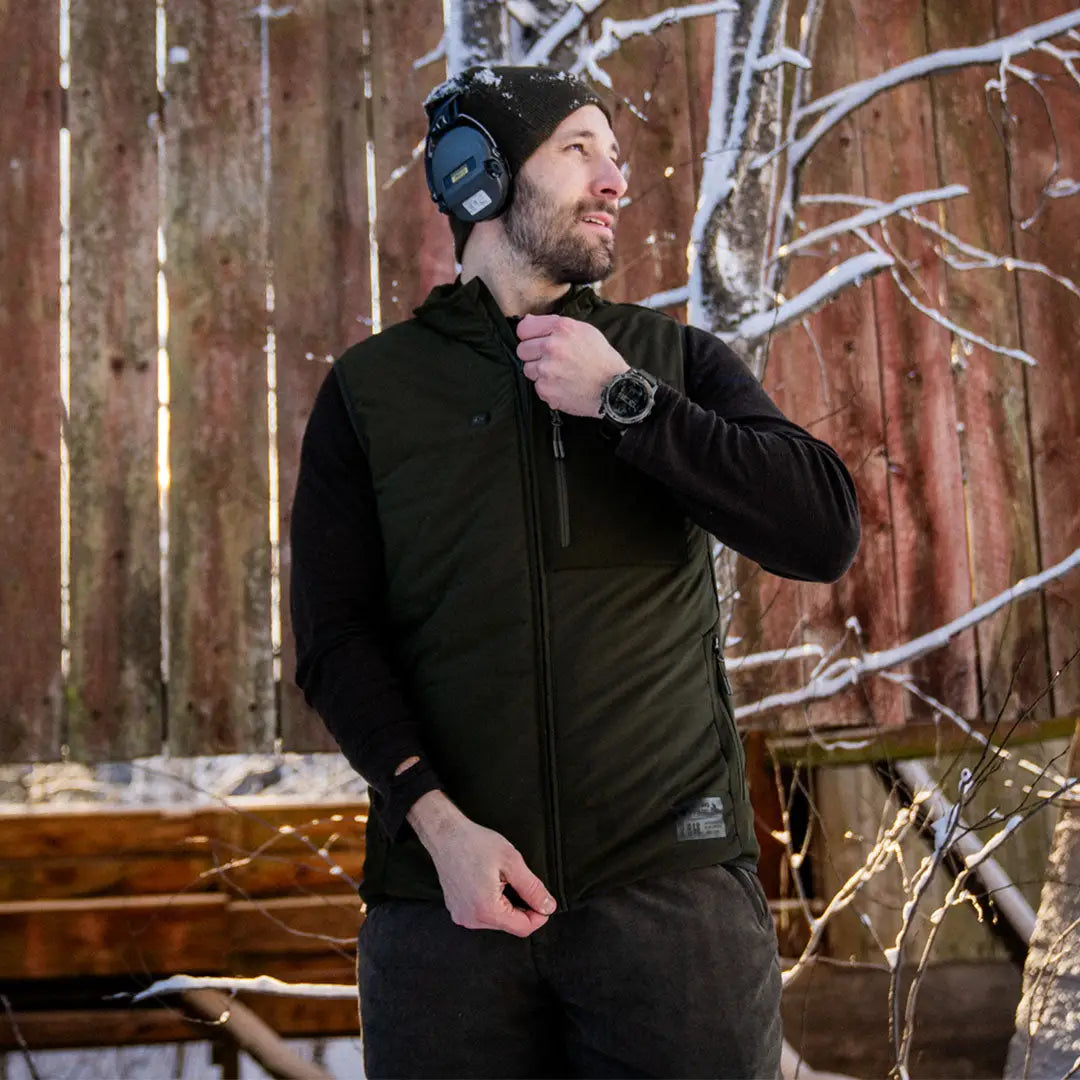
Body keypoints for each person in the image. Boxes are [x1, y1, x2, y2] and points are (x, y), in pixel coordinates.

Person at [290, 65, 860, 1079]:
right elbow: (336, 643)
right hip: (447, 917)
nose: (616, 180)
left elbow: (819, 531)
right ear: (480, 177)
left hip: (673, 908)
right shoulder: (373, 394)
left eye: (615, 153)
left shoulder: (667, 361)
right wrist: (439, 829)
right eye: (579, 148)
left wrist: (630, 403)